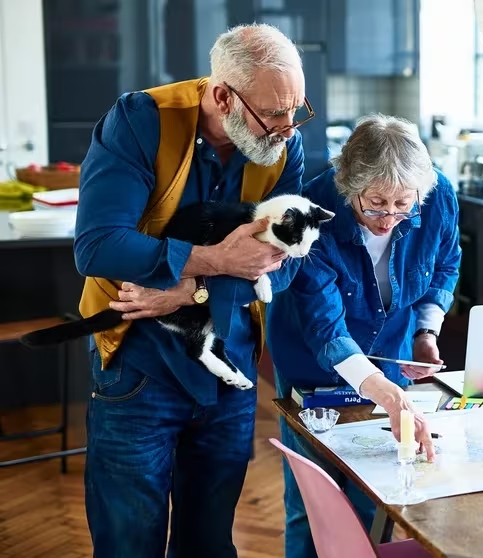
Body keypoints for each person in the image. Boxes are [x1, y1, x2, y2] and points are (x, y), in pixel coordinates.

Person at [73, 24, 312, 557]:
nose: (289, 128)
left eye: (297, 109)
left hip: (229, 376)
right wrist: (220, 260)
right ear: (223, 95)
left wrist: (190, 287)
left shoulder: (282, 142)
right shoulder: (140, 121)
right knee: (129, 542)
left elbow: (288, 265)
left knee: (209, 542)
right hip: (139, 366)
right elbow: (98, 246)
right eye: (274, 113)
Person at [266, 113, 462, 557]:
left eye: (402, 205)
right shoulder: (310, 211)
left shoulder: (436, 196)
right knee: (314, 501)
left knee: (376, 492)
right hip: (313, 362)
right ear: (348, 185)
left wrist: (425, 333)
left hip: (393, 350)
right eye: (375, 204)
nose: (389, 217)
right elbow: (324, 323)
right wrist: (389, 396)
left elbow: (445, 264)